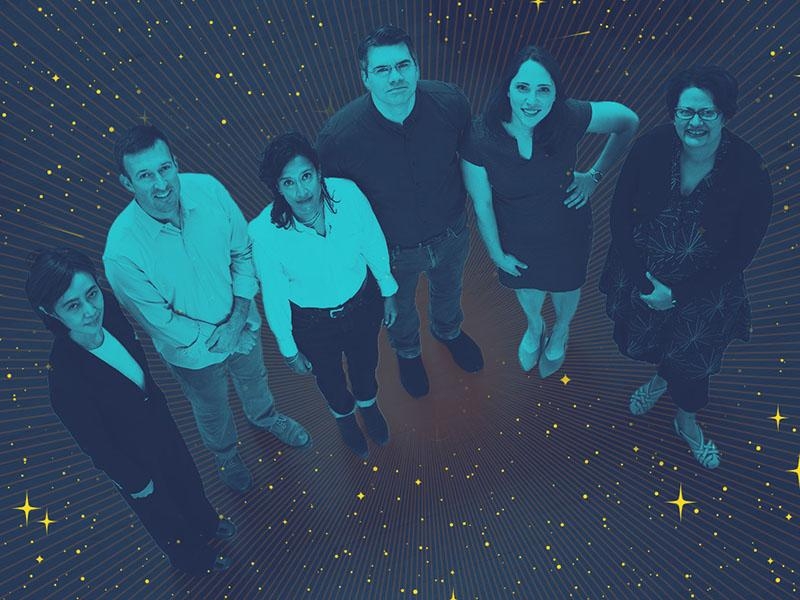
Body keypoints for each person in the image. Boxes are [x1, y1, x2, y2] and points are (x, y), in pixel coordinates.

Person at [103, 125, 309, 494]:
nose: (161, 184)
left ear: (176, 164)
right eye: (144, 176)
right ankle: (226, 454)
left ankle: (265, 418)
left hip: (243, 325)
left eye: (165, 169)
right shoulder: (121, 252)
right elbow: (160, 322)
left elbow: (242, 253)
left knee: (255, 380)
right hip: (194, 355)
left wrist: (238, 319)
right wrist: (229, 336)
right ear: (127, 183)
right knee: (211, 408)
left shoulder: (209, 190)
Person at [599, 65, 773, 468]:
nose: (695, 122)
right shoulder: (651, 146)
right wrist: (644, 284)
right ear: (674, 113)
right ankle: (661, 378)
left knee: (693, 369)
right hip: (645, 277)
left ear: (725, 114)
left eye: (707, 113)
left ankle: (686, 422)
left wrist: (676, 295)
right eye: (685, 112)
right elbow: (619, 213)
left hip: (705, 290)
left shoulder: (750, 169)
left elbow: (742, 252)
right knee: (657, 344)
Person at [25, 247, 235, 574]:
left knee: (187, 479)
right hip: (132, 457)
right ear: (49, 312)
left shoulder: (109, 312)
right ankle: (193, 559)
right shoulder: (64, 380)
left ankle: (207, 523)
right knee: (163, 512)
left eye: (91, 294)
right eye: (73, 305)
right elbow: (96, 444)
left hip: (158, 420)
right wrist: (135, 481)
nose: (90, 310)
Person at [317, 25, 483, 398]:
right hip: (391, 250)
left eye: (403, 65)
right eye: (382, 70)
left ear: (416, 67)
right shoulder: (338, 140)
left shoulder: (451, 104)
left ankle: (448, 331)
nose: (395, 77)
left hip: (451, 233)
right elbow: (337, 210)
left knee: (448, 289)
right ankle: (408, 352)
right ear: (365, 77)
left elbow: (473, 165)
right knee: (399, 306)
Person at [461, 46, 639, 377]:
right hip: (516, 233)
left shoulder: (568, 117)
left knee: (566, 287)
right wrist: (497, 254)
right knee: (527, 287)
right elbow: (482, 201)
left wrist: (595, 176)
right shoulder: (479, 135)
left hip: (566, 230)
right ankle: (535, 326)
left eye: (544, 90)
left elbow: (628, 121)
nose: (532, 101)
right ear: (508, 88)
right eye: (523, 88)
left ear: (556, 94)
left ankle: (561, 331)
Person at [249, 133, 399, 458]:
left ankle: (368, 405)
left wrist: (388, 290)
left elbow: (373, 241)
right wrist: (288, 348)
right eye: (289, 183)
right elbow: (273, 295)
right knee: (329, 378)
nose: (302, 192)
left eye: (306, 177)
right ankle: (345, 418)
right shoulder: (263, 233)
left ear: (318, 172)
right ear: (277, 187)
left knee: (365, 364)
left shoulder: (348, 195)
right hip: (312, 323)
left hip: (362, 304)